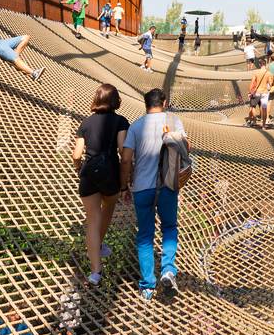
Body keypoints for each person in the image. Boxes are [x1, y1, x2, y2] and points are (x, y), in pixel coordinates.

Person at [126, 88, 190, 300]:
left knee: (145, 236)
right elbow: (186, 147)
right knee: (169, 227)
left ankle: (147, 287)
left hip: (142, 188)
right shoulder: (173, 120)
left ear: (146, 104)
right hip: (166, 187)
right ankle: (168, 270)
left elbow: (126, 158)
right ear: (164, 102)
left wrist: (124, 184)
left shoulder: (136, 126)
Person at [72, 84, 130, 286]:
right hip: (110, 174)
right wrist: (125, 184)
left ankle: (96, 272)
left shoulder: (85, 123)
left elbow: (77, 154)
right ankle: (100, 245)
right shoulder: (121, 121)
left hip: (89, 174)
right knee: (109, 206)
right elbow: (123, 152)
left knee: (92, 221)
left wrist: (79, 168)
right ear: (116, 101)